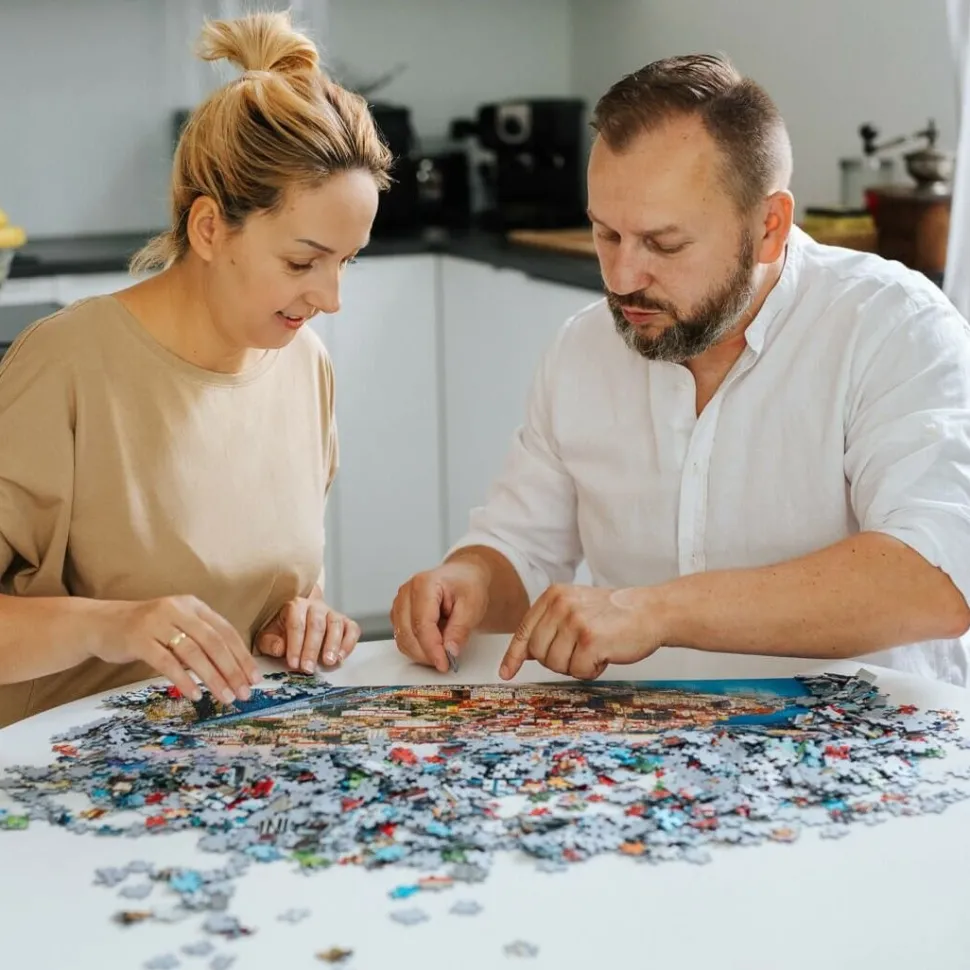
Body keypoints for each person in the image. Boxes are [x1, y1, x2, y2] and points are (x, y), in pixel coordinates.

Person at [392, 54, 970, 685]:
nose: (621, 278)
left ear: (769, 227)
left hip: (870, 735)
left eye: (663, 244)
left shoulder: (894, 326)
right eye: (606, 235)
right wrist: (469, 581)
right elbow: (521, 549)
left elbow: (936, 576)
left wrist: (656, 611)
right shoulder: (582, 348)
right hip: (643, 735)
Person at [0, 11, 391, 727]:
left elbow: (277, 591)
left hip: (239, 761)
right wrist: (111, 625)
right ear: (210, 228)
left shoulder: (304, 363)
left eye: (347, 261)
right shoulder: (66, 367)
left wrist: (304, 620)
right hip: (64, 770)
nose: (331, 298)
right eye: (302, 262)